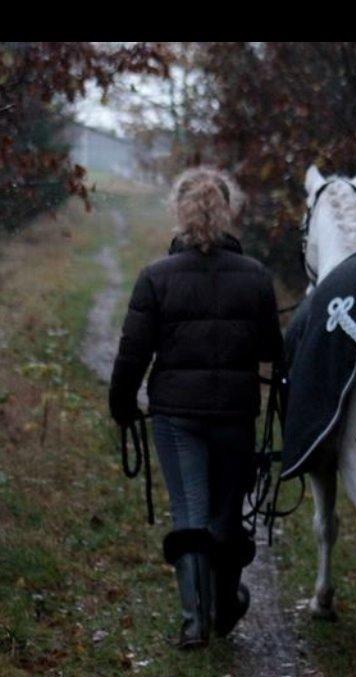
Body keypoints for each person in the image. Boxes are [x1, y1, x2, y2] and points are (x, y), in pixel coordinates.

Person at [108, 166, 283, 649]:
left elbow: (133, 352)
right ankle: (225, 604)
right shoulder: (255, 277)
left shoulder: (156, 278)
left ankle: (194, 620)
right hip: (235, 415)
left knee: (189, 510)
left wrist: (122, 405)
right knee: (226, 515)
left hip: (177, 417)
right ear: (228, 212)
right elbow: (271, 348)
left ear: (179, 214)